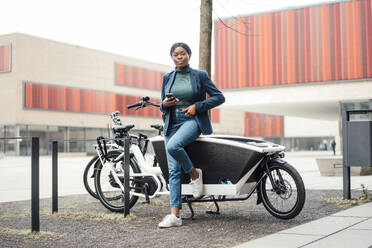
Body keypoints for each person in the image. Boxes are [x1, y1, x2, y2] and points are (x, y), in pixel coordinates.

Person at [158, 42, 225, 228]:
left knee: (173, 147)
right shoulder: (167, 77)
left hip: (191, 121)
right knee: (173, 170)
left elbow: (219, 97)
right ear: (172, 57)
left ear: (189, 55)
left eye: (182, 53)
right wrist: (165, 104)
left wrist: (197, 106)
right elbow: (162, 105)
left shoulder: (200, 75)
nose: (179, 57)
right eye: (175, 54)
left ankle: (195, 175)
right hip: (172, 123)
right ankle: (175, 216)